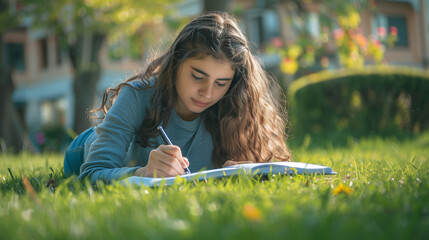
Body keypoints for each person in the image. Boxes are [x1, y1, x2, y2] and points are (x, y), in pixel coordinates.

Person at [63, 12, 291, 184]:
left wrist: (242, 169)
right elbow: (92, 172)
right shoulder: (136, 95)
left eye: (221, 83)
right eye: (197, 76)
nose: (208, 93)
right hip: (85, 147)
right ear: (175, 63)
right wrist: (142, 173)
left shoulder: (233, 106)